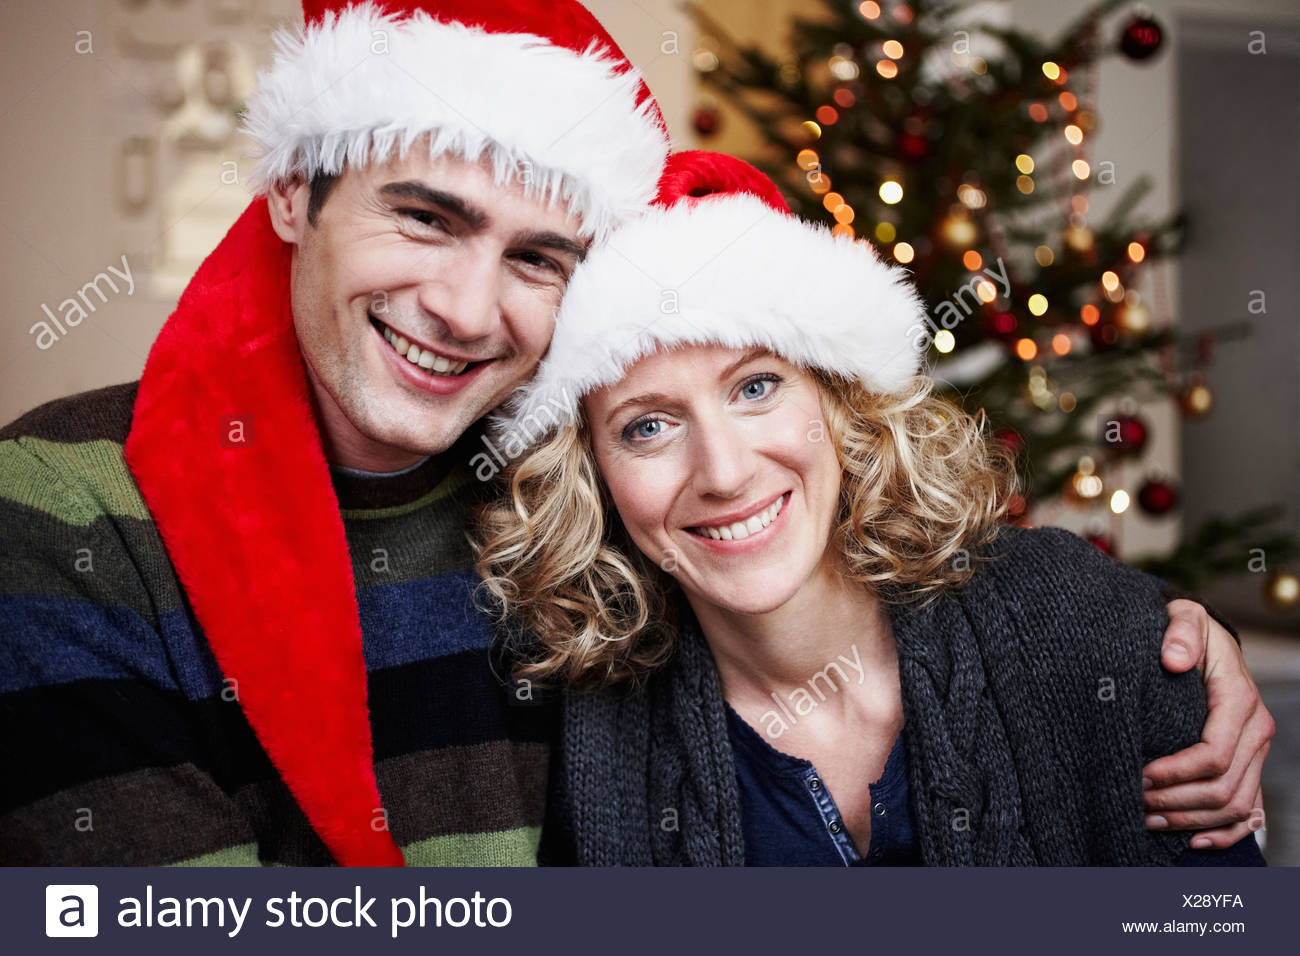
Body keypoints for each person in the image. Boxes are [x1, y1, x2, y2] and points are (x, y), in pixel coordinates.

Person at [0, 3, 1269, 862]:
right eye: (425, 218)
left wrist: (1156, 647)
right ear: (294, 191)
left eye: (538, 255)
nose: (463, 306)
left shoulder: (543, 515)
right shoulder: (68, 500)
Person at [476, 151, 1270, 865]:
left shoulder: (1089, 628)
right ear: (593, 479)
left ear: (842, 403)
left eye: (757, 387)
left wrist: (1190, 648)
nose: (722, 473)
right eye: (647, 427)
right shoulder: (575, 728)